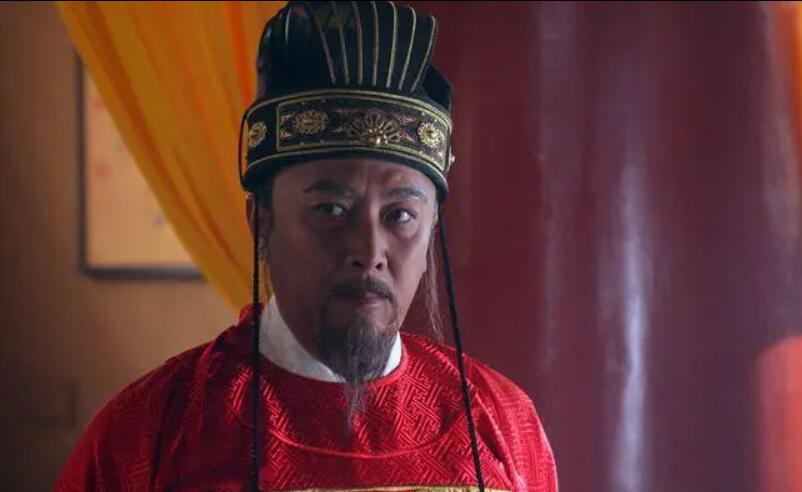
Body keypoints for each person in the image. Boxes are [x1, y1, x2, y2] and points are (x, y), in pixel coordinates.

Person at [56, 2, 558, 491]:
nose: (368, 250)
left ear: (431, 231)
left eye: (400, 216)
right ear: (261, 221)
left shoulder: (502, 423)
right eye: (331, 210)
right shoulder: (148, 434)